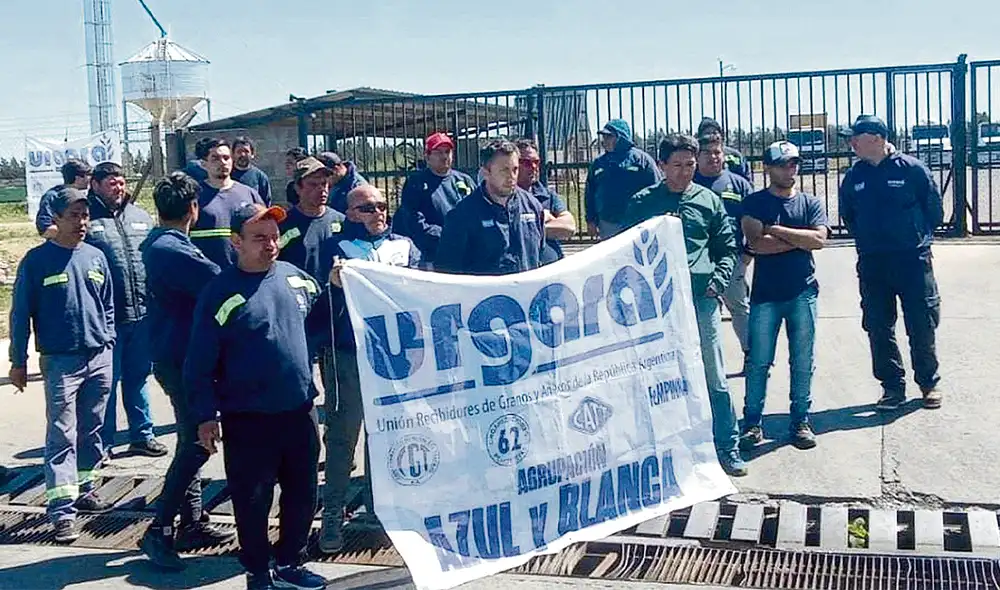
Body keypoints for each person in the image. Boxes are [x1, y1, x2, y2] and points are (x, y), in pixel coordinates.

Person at [184, 203, 327, 590]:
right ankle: (258, 571)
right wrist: (205, 415)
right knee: (252, 500)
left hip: (299, 410)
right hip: (248, 418)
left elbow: (322, 321)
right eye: (260, 238)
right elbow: (199, 363)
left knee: (303, 493)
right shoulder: (219, 293)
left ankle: (291, 562)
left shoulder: (297, 279)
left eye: (274, 237)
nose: (271, 244)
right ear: (236, 242)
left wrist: (339, 289)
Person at [620, 134, 746, 477]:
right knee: (661, 379)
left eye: (690, 164)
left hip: (701, 301)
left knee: (713, 376)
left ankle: (727, 446)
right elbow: (623, 252)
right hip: (657, 307)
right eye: (676, 165)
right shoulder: (643, 203)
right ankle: (668, 449)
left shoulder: (708, 200)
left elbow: (726, 247)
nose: (684, 172)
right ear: (661, 165)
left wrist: (717, 283)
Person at [316, 184, 421, 553]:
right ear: (350, 214)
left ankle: (379, 510)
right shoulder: (336, 248)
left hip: (393, 356)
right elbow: (318, 303)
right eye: (367, 208)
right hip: (348, 355)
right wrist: (332, 284)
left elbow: (423, 290)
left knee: (386, 435)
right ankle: (332, 513)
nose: (378, 212)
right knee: (343, 436)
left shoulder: (405, 246)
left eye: (382, 206)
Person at [138, 172, 234, 571]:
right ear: (193, 209)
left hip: (175, 355)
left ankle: (192, 522)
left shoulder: (162, 243)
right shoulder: (173, 250)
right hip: (182, 359)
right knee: (197, 443)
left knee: (191, 441)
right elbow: (221, 283)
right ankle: (160, 528)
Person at [9, 186, 116, 543]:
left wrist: (108, 340)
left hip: (99, 357)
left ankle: (86, 488)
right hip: (61, 362)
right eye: (73, 216)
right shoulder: (36, 261)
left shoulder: (96, 257)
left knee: (92, 429)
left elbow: (108, 305)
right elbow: (20, 315)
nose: (82, 222)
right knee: (62, 434)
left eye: (85, 215)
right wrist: (18, 361)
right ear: (54, 218)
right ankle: (61, 511)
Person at [838, 115, 945, 410]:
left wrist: (914, 237)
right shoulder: (854, 176)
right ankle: (892, 387)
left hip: (912, 261)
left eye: (856, 137)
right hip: (873, 262)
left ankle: (928, 383)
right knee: (877, 324)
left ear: (876, 138)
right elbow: (849, 216)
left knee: (921, 322)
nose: (851, 143)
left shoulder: (912, 170)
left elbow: (934, 211)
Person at [740, 142, 828, 451]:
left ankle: (800, 421)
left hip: (803, 292)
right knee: (758, 362)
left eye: (793, 163)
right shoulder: (754, 203)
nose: (790, 169)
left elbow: (819, 239)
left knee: (803, 361)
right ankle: (752, 423)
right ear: (767, 168)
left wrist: (775, 230)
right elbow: (756, 244)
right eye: (782, 164)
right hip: (766, 296)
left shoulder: (810, 202)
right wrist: (800, 238)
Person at [84, 163, 166, 458]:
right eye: (111, 183)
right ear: (95, 185)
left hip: (142, 315)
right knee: (105, 384)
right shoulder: (87, 219)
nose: (118, 188)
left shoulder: (140, 216)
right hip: (107, 319)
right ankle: (102, 444)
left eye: (121, 182)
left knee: (138, 377)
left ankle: (142, 435)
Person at [435, 139, 545, 275]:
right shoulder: (462, 215)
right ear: (486, 172)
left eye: (515, 169)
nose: (511, 177)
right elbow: (447, 270)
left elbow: (539, 254)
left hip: (526, 287)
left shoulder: (533, 207)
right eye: (504, 170)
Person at [694, 132, 755, 370]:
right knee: (704, 314)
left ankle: (752, 355)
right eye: (707, 153)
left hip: (731, 259)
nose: (713, 157)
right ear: (698, 156)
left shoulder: (739, 185)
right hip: (698, 262)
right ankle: (706, 363)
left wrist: (748, 253)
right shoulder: (690, 184)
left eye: (717, 152)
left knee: (739, 307)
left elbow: (755, 222)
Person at [395, 132, 475, 267]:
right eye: (438, 152)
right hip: (433, 257)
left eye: (447, 152)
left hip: (466, 255)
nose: (444, 156)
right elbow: (414, 222)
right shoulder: (416, 184)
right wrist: (448, 236)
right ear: (427, 157)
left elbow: (478, 212)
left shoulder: (464, 180)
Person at [189, 138, 266, 270]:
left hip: (245, 273)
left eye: (226, 158)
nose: (222, 162)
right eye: (215, 158)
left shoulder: (249, 194)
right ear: (204, 164)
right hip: (206, 275)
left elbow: (265, 231)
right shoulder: (194, 196)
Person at [584, 119, 661, 240]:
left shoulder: (642, 160)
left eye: (609, 137)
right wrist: (591, 220)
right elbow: (590, 193)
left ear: (621, 138)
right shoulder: (599, 163)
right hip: (608, 222)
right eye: (603, 137)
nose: (604, 141)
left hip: (638, 221)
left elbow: (657, 188)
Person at [278, 157, 346, 280]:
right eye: (313, 184)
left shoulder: (341, 221)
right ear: (298, 188)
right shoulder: (284, 225)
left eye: (324, 184)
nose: (322, 189)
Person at [516, 138, 576, 264]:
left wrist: (529, 225)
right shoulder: (506, 196)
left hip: (554, 267)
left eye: (536, 162)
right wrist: (546, 219)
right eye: (526, 162)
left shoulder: (547, 195)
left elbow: (569, 227)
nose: (533, 167)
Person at [35, 159, 93, 238]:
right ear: (78, 178)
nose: (91, 178)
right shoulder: (53, 196)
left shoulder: (86, 196)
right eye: (89, 175)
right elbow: (45, 229)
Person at [232, 137, 272, 205]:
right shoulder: (226, 176)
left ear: (252, 154)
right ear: (233, 154)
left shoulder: (260, 177)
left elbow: (266, 203)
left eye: (246, 151)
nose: (243, 154)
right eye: (239, 151)